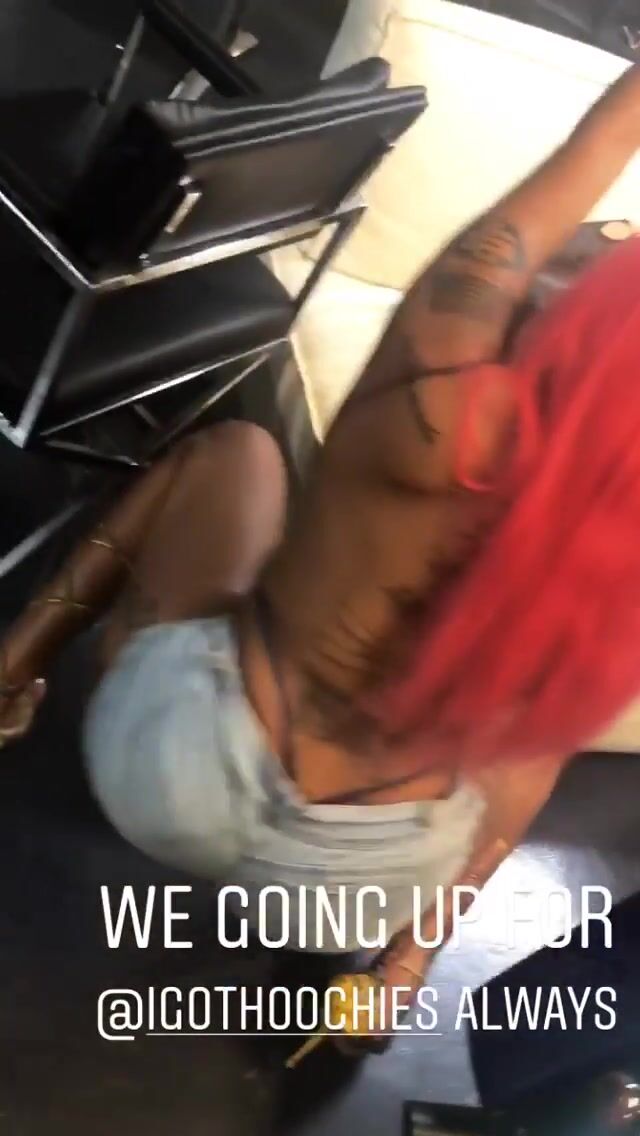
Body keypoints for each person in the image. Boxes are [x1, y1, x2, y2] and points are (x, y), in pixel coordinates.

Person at [4, 59, 640, 1040]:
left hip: (166, 766)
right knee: (528, 749)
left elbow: (578, 164)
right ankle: (399, 969)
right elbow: (518, 784)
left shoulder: (442, 396)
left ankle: (10, 675)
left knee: (236, 453)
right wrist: (401, 954)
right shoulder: (614, 580)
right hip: (357, 884)